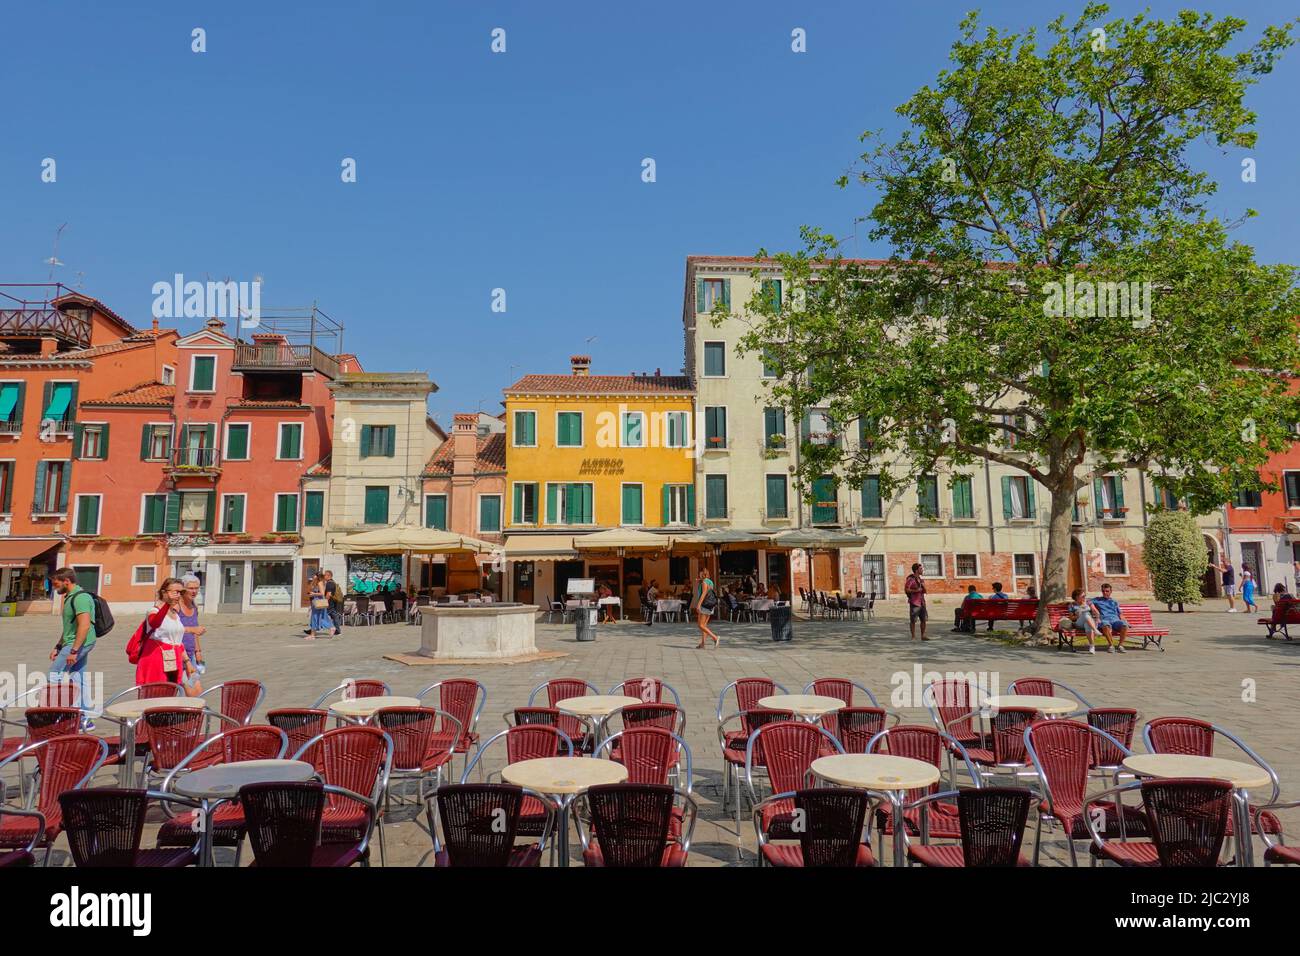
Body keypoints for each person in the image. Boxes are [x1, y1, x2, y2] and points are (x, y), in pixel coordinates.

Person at [49, 568, 97, 730]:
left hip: (79, 643)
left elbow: (84, 625)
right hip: (75, 642)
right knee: (78, 678)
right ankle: (84, 718)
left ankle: (55, 715)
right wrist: (58, 646)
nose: (55, 588)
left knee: (54, 676)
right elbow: (70, 627)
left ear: (66, 581)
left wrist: (74, 650)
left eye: (56, 584)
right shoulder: (71, 597)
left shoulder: (80, 598)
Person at [136, 578, 199, 686]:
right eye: (175, 592)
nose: (178, 595)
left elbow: (178, 641)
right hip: (156, 659)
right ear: (164, 592)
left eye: (181, 592)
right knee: (156, 696)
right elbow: (155, 623)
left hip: (174, 661)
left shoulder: (175, 614)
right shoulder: (153, 611)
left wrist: (188, 662)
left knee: (173, 693)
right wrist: (166, 605)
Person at [177, 574, 205, 696]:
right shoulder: (176, 606)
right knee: (190, 690)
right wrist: (193, 629)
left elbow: (195, 632)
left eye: (196, 588)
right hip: (178, 655)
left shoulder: (194, 606)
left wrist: (198, 652)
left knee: (196, 689)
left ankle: (189, 713)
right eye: (191, 588)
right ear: (183, 589)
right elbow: (170, 630)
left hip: (191, 655)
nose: (194, 591)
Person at [1087, 583, 1128, 653]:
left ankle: (1120, 646)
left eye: (1107, 591)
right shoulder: (1097, 600)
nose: (1105, 593)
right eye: (1103, 591)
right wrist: (1093, 607)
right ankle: (1111, 646)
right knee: (1105, 625)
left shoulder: (1114, 602)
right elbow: (1086, 601)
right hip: (1104, 620)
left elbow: (1120, 613)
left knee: (1124, 625)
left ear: (1111, 591)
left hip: (1115, 620)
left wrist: (1124, 620)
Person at [1060, 588, 1101, 654]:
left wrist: (1097, 619)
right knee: (1085, 614)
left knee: (1087, 624)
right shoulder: (1072, 605)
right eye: (1083, 596)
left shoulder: (1088, 602)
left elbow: (1096, 612)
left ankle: (1092, 646)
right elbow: (1071, 618)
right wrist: (1078, 615)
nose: (1084, 597)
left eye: (1085, 596)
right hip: (1078, 623)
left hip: (1090, 622)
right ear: (1077, 597)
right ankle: (1095, 630)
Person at [692, 567, 719, 649]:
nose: (698, 575)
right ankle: (703, 644)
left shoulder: (704, 582)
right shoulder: (710, 582)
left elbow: (704, 593)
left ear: (702, 574)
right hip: (710, 605)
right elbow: (709, 591)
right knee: (704, 625)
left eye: (699, 573)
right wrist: (700, 581)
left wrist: (698, 604)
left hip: (704, 605)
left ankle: (715, 637)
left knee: (700, 625)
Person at [904, 562, 929, 641]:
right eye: (920, 569)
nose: (922, 570)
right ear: (916, 570)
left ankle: (923, 635)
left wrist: (924, 588)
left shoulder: (921, 580)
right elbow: (906, 589)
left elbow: (925, 591)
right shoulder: (911, 579)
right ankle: (913, 636)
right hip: (914, 602)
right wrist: (916, 590)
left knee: (924, 620)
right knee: (913, 620)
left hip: (922, 602)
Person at [308, 574, 332, 638]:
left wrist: (313, 594)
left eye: (314, 576)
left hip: (318, 601)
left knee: (315, 617)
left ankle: (313, 635)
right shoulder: (318, 583)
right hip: (316, 601)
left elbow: (322, 593)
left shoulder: (320, 583)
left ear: (318, 577)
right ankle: (313, 634)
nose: (313, 577)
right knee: (318, 617)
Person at [323, 569, 344, 636]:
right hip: (332, 602)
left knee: (322, 615)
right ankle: (337, 630)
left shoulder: (329, 584)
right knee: (334, 616)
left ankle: (313, 629)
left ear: (328, 575)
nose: (324, 577)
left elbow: (328, 594)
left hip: (329, 603)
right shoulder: (333, 582)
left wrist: (324, 602)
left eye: (324, 575)